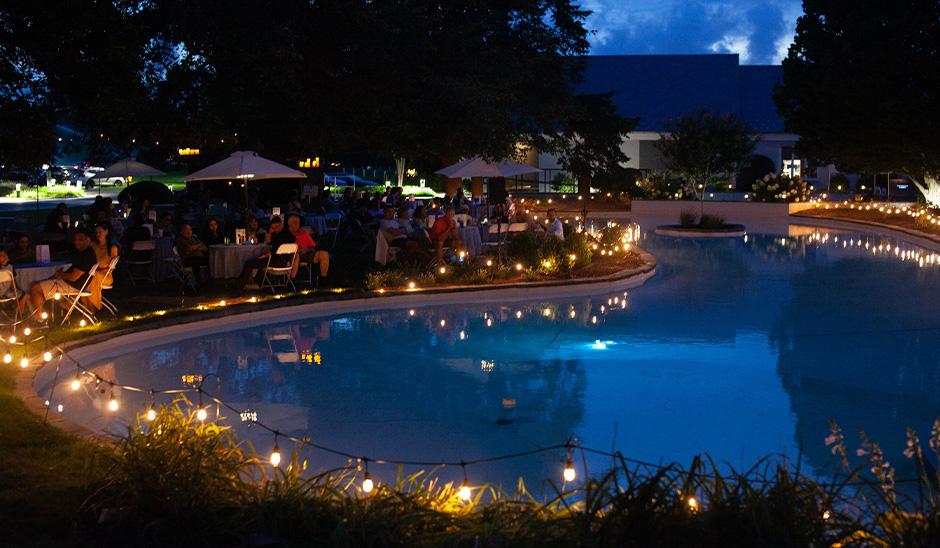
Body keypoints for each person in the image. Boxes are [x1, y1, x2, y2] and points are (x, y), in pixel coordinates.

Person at [18, 229, 97, 318]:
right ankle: (29, 306)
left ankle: (40, 319)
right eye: (75, 240)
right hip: (75, 284)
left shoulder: (86, 255)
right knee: (37, 286)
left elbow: (73, 277)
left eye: (80, 240)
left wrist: (61, 274)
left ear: (88, 239)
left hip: (73, 285)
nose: (76, 242)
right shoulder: (86, 252)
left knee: (35, 288)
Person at [238, 216, 295, 289]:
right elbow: (268, 243)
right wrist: (270, 232)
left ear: (281, 224)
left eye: (276, 226)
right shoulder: (287, 234)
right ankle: (257, 282)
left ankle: (239, 285)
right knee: (258, 263)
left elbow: (274, 249)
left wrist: (266, 254)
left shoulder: (282, 236)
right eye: (273, 227)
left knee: (249, 263)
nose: (275, 229)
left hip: (277, 261)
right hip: (286, 262)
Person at [86, 223, 119, 312]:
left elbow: (111, 267)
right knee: (88, 278)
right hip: (93, 273)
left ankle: (92, 308)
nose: (98, 234)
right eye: (96, 232)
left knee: (92, 278)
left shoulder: (111, 247)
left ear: (106, 232)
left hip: (106, 276)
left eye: (100, 232)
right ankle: (88, 308)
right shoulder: (93, 245)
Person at [286, 213, 330, 278]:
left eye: (298, 223)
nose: (297, 224)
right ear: (289, 223)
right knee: (296, 256)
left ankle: (323, 279)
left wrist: (307, 249)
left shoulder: (303, 233)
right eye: (294, 222)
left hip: (306, 254)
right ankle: (292, 280)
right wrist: (296, 250)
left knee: (324, 253)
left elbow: (313, 247)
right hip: (292, 255)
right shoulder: (285, 234)